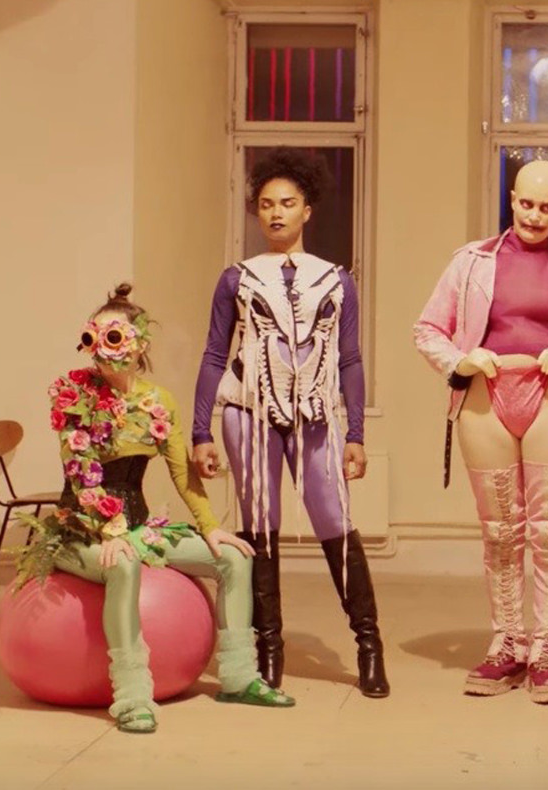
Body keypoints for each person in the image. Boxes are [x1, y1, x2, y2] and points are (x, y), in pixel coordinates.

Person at [16, 283, 291, 735]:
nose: (102, 348)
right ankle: (131, 697)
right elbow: (80, 473)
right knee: (123, 565)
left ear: (139, 343)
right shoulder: (74, 394)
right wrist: (109, 531)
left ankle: (239, 678)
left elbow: (182, 473)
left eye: (114, 336)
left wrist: (210, 527)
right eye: (93, 337)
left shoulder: (157, 401)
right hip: (80, 530)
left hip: (137, 525)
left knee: (235, 558)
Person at [413, 159, 548, 704]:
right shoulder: (470, 262)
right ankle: (508, 643)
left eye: (546, 207)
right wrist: (459, 362)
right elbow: (428, 329)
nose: (534, 215)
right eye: (526, 203)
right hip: (486, 398)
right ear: (511, 198)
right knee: (500, 532)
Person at [190, 148, 388, 700]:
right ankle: (267, 649)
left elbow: (350, 359)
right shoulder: (236, 279)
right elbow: (214, 354)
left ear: (307, 209)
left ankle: (369, 646)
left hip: (317, 416)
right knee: (260, 529)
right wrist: (201, 431)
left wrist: (356, 434)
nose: (276, 212)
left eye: (288, 202)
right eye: (266, 204)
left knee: (335, 523)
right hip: (247, 412)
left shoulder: (337, 281)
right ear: (256, 212)